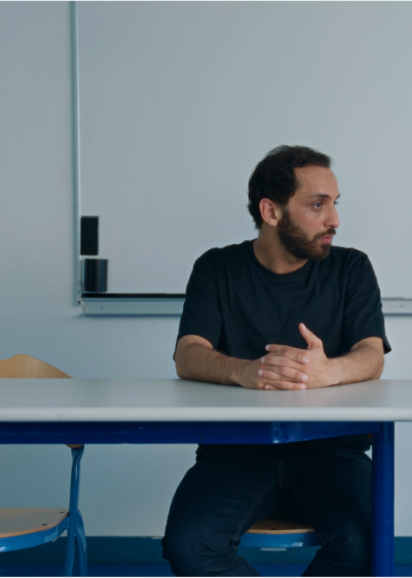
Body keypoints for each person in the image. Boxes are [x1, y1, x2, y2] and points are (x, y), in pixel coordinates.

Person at [161, 145, 391, 576]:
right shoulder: (216, 268)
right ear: (271, 211)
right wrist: (245, 371)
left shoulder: (351, 268)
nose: (334, 221)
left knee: (368, 543)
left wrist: (327, 372)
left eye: (335, 205)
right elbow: (188, 355)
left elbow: (371, 356)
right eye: (318, 205)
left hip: (331, 449)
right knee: (189, 545)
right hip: (236, 451)